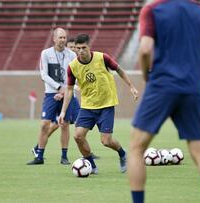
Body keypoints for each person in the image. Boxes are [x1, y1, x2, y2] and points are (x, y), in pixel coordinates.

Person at [128, 1, 200, 203]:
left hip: (161, 86)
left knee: (136, 148)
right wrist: (196, 76)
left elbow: (144, 50)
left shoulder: (152, 9)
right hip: (192, 90)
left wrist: (146, 76)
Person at [58, 33, 139, 174]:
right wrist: (63, 111)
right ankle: (91, 165)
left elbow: (119, 70)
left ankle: (122, 154)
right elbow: (69, 90)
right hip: (88, 106)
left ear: (89, 46)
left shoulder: (102, 58)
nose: (81, 51)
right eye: (78, 48)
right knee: (78, 136)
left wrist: (131, 86)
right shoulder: (73, 67)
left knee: (106, 141)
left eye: (83, 47)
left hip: (106, 105)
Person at [27, 27, 80, 165]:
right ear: (54, 38)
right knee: (45, 124)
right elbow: (44, 74)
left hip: (67, 93)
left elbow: (74, 76)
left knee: (64, 125)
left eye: (64, 37)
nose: (62, 40)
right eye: (60, 37)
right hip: (51, 93)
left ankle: (64, 156)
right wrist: (58, 88)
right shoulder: (46, 53)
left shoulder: (72, 55)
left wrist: (65, 90)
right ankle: (39, 156)